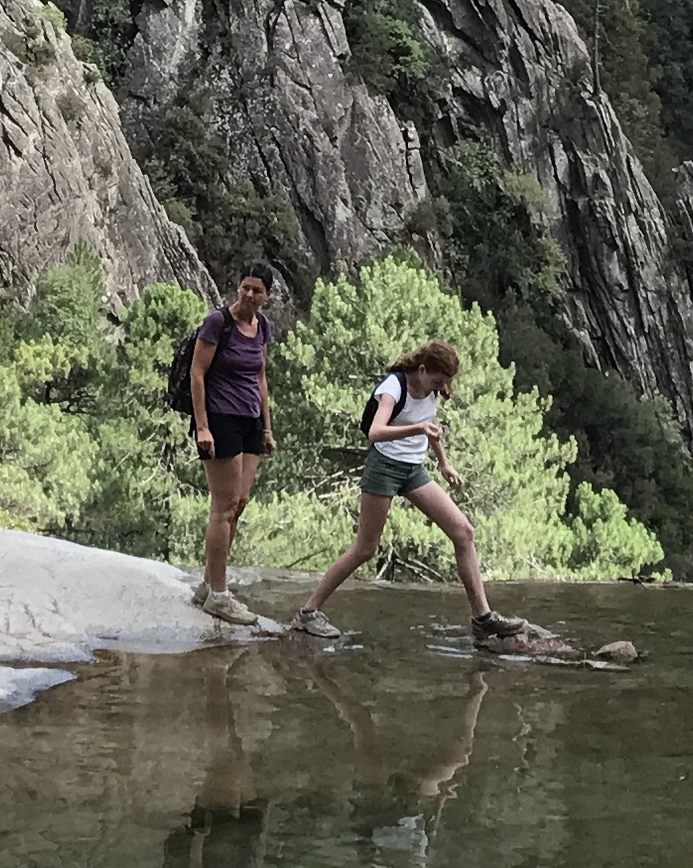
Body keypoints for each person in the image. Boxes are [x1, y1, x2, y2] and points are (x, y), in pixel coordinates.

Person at [284, 341, 533, 644]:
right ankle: (307, 613)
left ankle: (483, 619)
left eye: (445, 383)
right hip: (384, 466)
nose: (441, 388)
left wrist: (444, 463)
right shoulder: (393, 387)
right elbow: (376, 432)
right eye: (438, 381)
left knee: (463, 532)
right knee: (365, 548)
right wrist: (416, 430)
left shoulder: (432, 389)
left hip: (414, 470)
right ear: (423, 369)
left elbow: (431, 424)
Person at [184, 273, 277, 623]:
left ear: (267, 295)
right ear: (238, 287)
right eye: (245, 287)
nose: (250, 294)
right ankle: (219, 596)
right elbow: (197, 373)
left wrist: (266, 428)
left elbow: (261, 376)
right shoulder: (217, 322)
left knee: (238, 504)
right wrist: (203, 427)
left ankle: (208, 585)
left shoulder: (263, 326)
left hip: (250, 420)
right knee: (222, 507)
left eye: (258, 290)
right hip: (220, 419)